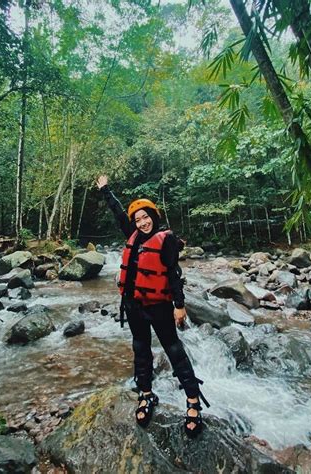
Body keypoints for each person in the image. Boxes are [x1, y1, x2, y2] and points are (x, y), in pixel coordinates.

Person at [96, 175, 208, 438]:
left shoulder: (165, 239)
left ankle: (193, 401)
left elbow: (173, 274)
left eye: (146, 217)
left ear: (154, 217)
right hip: (133, 305)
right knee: (141, 349)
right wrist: (106, 190)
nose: (142, 222)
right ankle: (146, 394)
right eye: (138, 220)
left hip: (159, 305)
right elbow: (118, 212)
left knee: (174, 350)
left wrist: (178, 305)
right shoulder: (132, 235)